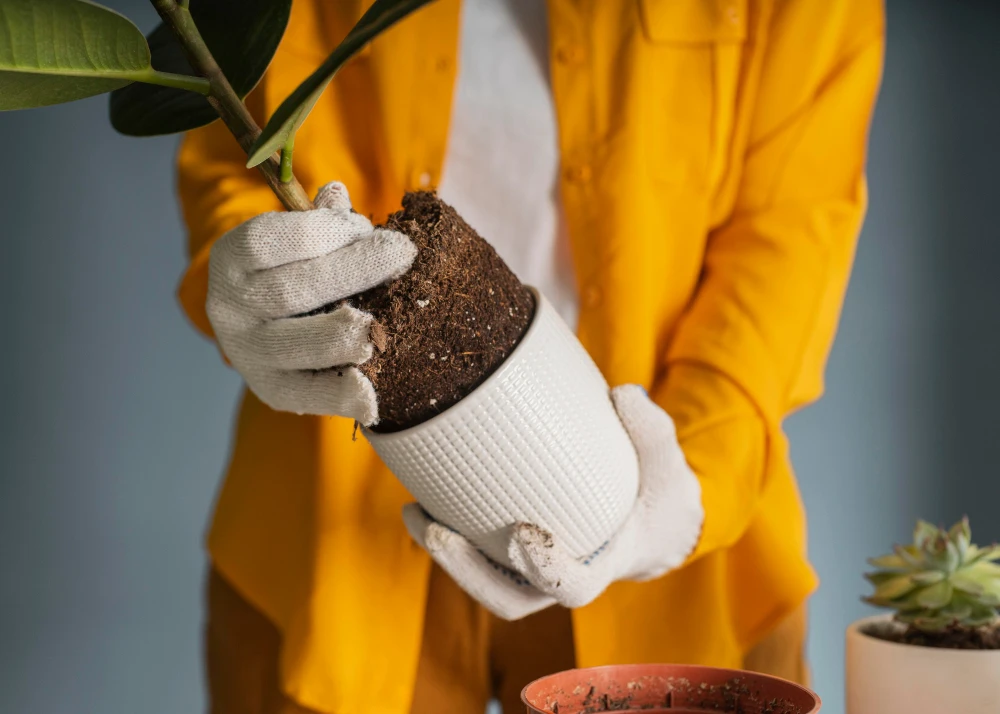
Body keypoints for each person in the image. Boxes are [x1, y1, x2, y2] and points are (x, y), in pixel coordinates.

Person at [177, 1, 884, 712]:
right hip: (330, 515)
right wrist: (257, 283)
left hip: (663, 536)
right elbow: (231, 141)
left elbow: (793, 223)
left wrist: (696, 474)